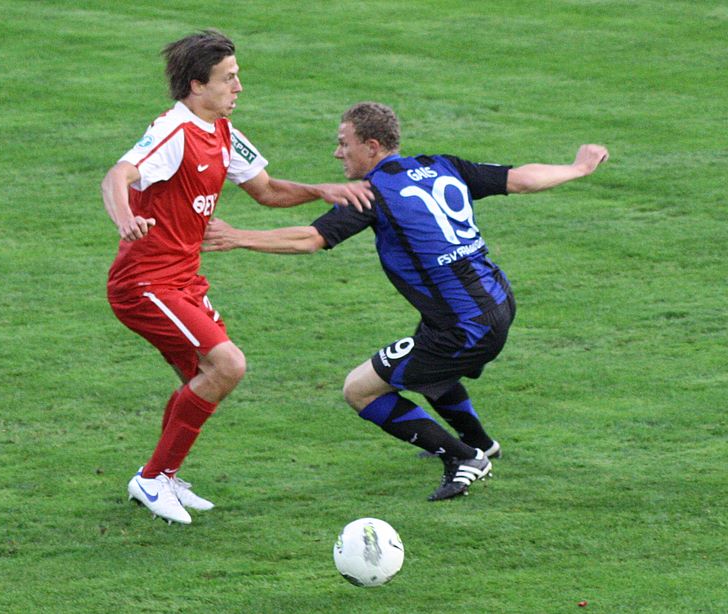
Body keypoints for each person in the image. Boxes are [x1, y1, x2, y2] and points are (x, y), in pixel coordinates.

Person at [203, 102, 609, 501]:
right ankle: (481, 444)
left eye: (344, 143)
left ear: (372, 146)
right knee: (428, 364)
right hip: (497, 300)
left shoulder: (373, 192)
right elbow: (520, 179)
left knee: (359, 390)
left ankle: (463, 457)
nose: (338, 153)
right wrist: (578, 168)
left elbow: (311, 239)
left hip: (464, 325)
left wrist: (238, 237)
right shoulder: (441, 165)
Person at [102, 31, 373, 525]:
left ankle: (161, 476)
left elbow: (267, 191)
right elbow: (117, 175)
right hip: (145, 283)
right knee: (227, 365)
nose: (239, 87)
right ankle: (153, 478)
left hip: (183, 281)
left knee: (204, 379)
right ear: (196, 85)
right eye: (228, 78)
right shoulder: (174, 132)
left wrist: (320, 190)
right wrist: (125, 218)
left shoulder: (224, 133)